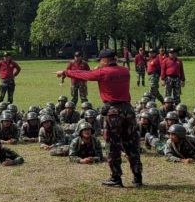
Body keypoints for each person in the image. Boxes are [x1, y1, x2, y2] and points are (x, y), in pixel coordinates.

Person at [57, 48, 142, 188]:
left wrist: (66, 72)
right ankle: (137, 176)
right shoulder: (125, 71)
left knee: (113, 146)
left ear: (105, 60)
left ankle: (116, 178)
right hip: (128, 110)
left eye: (101, 61)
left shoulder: (103, 72)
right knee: (131, 143)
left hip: (114, 112)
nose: (100, 63)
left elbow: (85, 75)